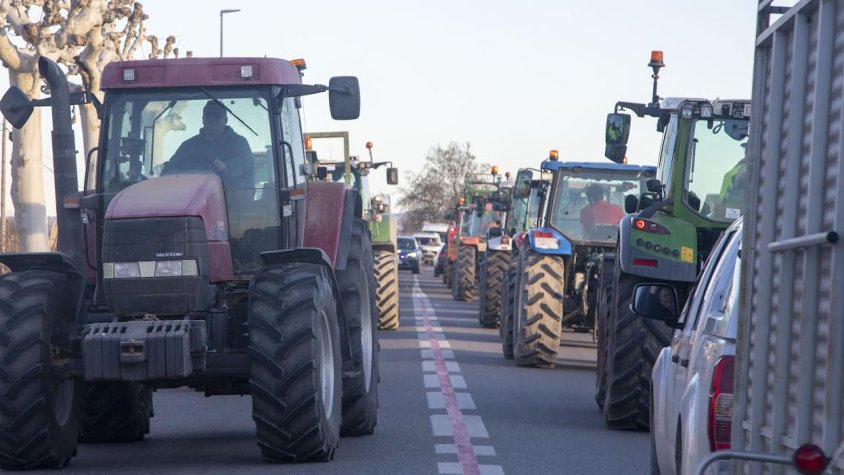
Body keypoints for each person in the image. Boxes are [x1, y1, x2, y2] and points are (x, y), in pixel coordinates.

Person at [162, 101, 253, 189]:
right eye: (208, 116)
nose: (212, 119)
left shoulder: (239, 142)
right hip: (194, 196)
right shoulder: (189, 146)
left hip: (231, 198)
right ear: (203, 119)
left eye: (217, 116)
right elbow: (170, 169)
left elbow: (243, 162)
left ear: (225, 120)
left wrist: (225, 167)